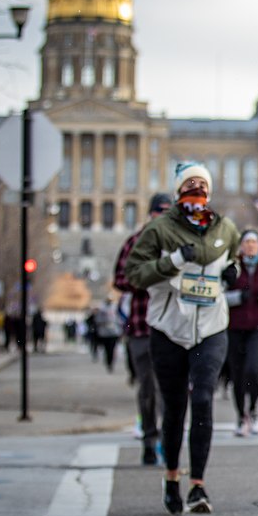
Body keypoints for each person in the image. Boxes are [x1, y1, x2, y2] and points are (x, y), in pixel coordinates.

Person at [124, 161, 240, 515]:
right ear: (178, 192)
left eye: (201, 187)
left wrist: (233, 271)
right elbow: (133, 275)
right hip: (169, 327)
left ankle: (198, 486)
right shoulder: (159, 230)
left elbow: (231, 260)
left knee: (204, 398)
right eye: (189, 187)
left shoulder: (225, 229)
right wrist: (172, 260)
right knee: (175, 407)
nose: (196, 193)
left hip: (211, 326)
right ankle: (172, 476)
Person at [113, 192, 173, 465]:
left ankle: (166, 440)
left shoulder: (180, 245)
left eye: (168, 211)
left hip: (174, 327)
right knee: (148, 387)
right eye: (159, 211)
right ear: (151, 214)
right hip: (142, 326)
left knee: (170, 388)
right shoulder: (135, 242)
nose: (163, 216)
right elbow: (120, 279)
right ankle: (150, 438)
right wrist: (146, 278)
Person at [225, 229, 258, 437]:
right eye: (247, 242)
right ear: (241, 245)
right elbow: (220, 294)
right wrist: (238, 297)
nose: (250, 246)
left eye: (254, 242)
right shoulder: (233, 266)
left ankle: (254, 410)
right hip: (235, 326)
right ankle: (241, 416)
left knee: (253, 369)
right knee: (237, 374)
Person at [92, 298, 123, 372]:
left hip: (114, 332)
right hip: (104, 333)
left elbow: (119, 319)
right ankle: (108, 362)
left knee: (112, 349)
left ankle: (111, 362)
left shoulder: (115, 308)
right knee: (107, 349)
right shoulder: (101, 309)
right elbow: (97, 320)